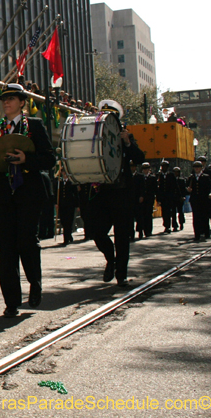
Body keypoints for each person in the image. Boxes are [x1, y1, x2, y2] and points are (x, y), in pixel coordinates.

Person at [0, 83, 55, 317]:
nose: (6, 102)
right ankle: (11, 301)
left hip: (29, 192)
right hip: (3, 193)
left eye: (11, 98)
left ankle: (35, 284)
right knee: (6, 247)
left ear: (22, 102)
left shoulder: (34, 125)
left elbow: (50, 159)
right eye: (4, 99)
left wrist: (26, 159)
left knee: (27, 241)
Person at [87, 100, 144, 287]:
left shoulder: (126, 136)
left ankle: (121, 274)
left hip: (121, 194)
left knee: (122, 237)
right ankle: (111, 260)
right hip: (102, 192)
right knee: (97, 232)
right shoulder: (94, 135)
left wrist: (127, 142)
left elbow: (140, 158)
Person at [187, 160, 211, 241]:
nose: (197, 169)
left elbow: (210, 187)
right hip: (195, 200)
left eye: (198, 167)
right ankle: (197, 234)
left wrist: (210, 193)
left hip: (204, 200)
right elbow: (186, 187)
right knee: (196, 217)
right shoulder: (191, 178)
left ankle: (206, 233)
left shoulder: (205, 177)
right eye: (195, 167)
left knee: (204, 216)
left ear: (201, 168)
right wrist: (188, 189)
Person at [157, 160, 182, 233]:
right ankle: (167, 226)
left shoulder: (171, 175)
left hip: (171, 197)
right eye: (163, 166)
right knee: (164, 212)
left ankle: (174, 225)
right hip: (163, 198)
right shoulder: (159, 175)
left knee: (172, 212)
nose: (164, 168)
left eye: (165, 166)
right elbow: (158, 188)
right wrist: (158, 199)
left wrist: (179, 195)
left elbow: (176, 186)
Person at [56, 166, 78, 246]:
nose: (64, 174)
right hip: (62, 204)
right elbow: (57, 194)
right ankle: (68, 236)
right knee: (63, 221)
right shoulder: (59, 182)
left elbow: (75, 194)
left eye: (65, 172)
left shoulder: (71, 182)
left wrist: (77, 205)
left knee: (69, 221)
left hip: (70, 204)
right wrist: (56, 203)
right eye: (62, 172)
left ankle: (67, 238)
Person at [135, 162, 156, 239]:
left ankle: (148, 231)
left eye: (147, 169)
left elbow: (155, 189)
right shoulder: (139, 177)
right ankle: (140, 230)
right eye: (144, 169)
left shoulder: (152, 178)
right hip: (141, 199)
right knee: (140, 215)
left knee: (148, 215)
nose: (145, 170)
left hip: (149, 199)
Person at [173, 166, 187, 230]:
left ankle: (181, 223)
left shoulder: (181, 180)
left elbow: (183, 189)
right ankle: (175, 225)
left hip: (180, 198)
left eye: (177, 172)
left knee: (180, 211)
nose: (176, 173)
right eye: (175, 172)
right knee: (173, 213)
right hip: (173, 198)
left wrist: (183, 196)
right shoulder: (171, 180)